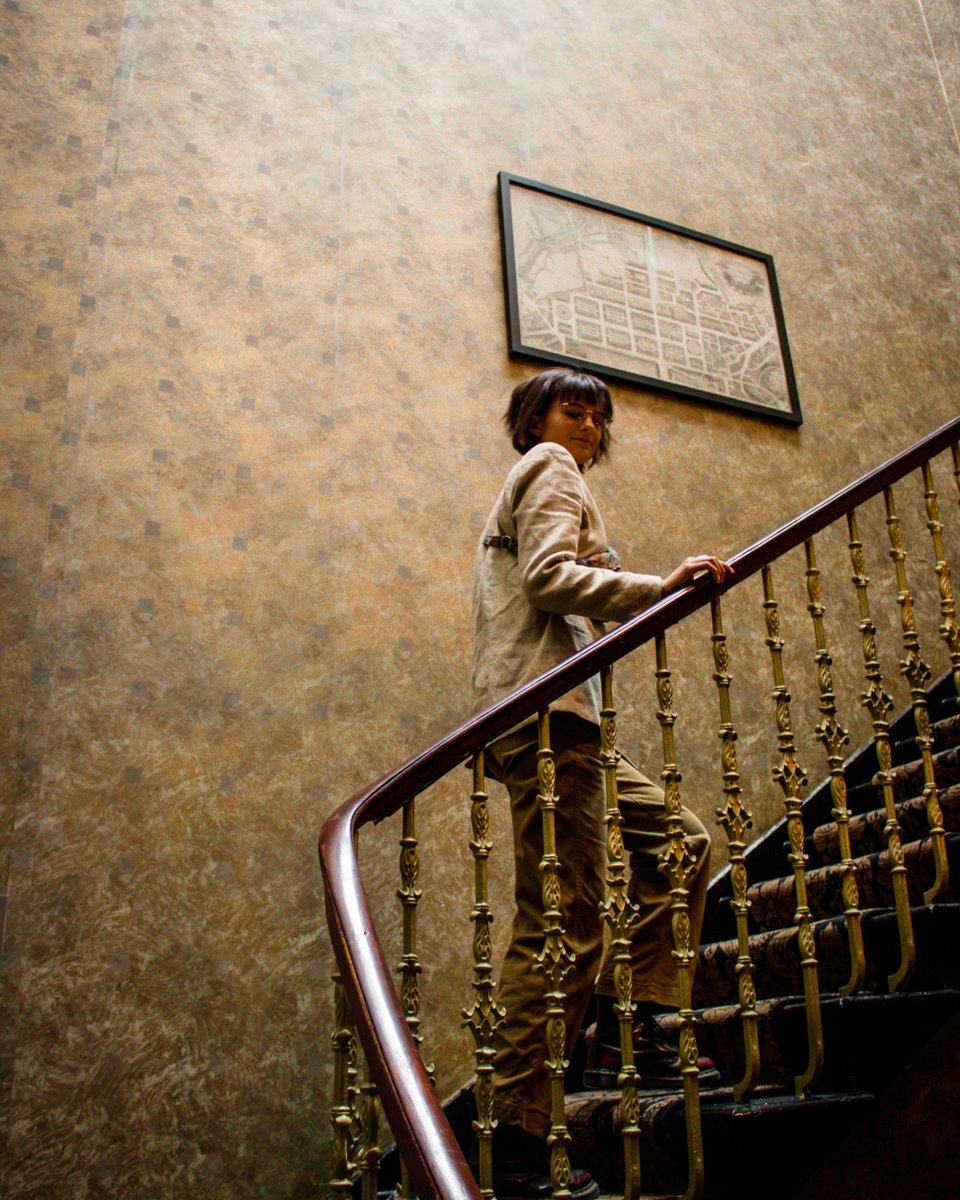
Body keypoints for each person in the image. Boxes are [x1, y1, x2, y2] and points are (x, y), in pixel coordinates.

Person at [471, 367, 732, 1199]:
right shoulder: (550, 468)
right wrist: (658, 588)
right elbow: (549, 578)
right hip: (543, 715)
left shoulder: (565, 484)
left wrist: (627, 590)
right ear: (534, 419)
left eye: (595, 411)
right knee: (566, 918)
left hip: (564, 717)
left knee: (683, 846)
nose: (584, 419)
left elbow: (568, 583)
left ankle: (638, 1025)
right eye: (568, 405)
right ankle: (514, 1134)